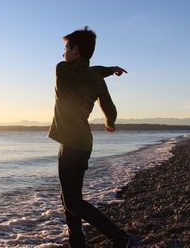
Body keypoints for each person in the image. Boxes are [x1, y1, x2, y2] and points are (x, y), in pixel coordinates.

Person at [48, 26, 138, 247]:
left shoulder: (62, 70)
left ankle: (121, 238)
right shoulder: (96, 79)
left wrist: (108, 69)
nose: (63, 53)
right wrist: (110, 123)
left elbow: (88, 69)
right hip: (82, 143)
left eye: (66, 48)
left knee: (72, 201)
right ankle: (77, 242)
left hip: (71, 145)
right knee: (68, 196)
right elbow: (109, 107)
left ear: (75, 50)